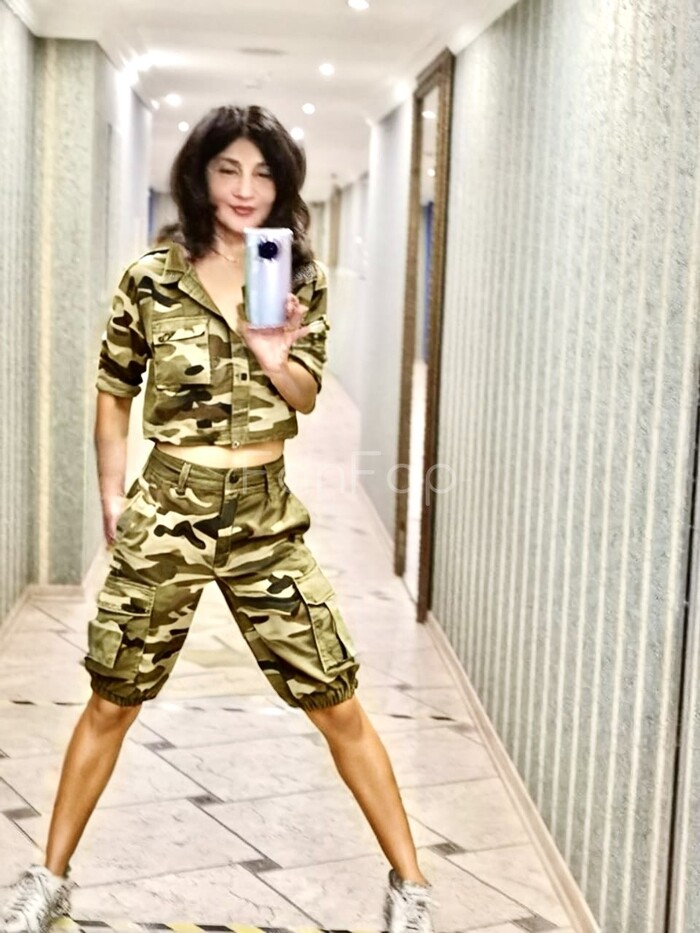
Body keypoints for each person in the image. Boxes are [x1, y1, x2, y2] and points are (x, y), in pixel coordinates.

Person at [0, 106, 434, 933]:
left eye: (263, 173)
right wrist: (112, 494)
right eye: (228, 169)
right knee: (113, 697)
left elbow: (306, 394)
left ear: (283, 185)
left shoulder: (295, 275)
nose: (244, 188)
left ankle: (411, 888)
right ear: (200, 175)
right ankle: (49, 878)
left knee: (335, 696)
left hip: (264, 515)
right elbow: (114, 387)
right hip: (169, 502)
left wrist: (273, 353)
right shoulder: (151, 278)